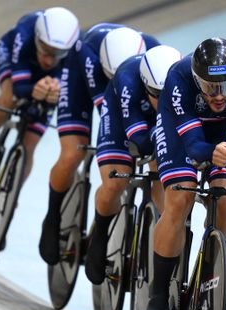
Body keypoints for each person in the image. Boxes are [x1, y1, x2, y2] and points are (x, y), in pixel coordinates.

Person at [146, 38, 226, 310]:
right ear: (197, 79)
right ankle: (158, 292)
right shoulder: (179, 78)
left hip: (223, 131)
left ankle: (209, 264)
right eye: (211, 87)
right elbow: (194, 145)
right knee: (179, 200)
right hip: (183, 133)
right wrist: (212, 153)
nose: (220, 95)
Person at [38, 23, 160, 265]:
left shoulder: (156, 55)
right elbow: (112, 115)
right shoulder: (89, 56)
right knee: (74, 153)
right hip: (84, 85)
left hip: (137, 89)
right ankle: (52, 218)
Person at [84, 45, 182, 284]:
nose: (161, 101)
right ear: (144, 83)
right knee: (115, 181)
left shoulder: (184, 80)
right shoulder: (128, 80)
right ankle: (99, 236)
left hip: (158, 127)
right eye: (155, 94)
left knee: (165, 182)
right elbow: (140, 140)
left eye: (166, 94)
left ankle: (161, 236)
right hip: (122, 118)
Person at [0, 7, 79, 183]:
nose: (49, 60)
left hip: (48, 77)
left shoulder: (75, 49)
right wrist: (34, 91)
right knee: (10, 99)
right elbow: (20, 88)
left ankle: (10, 195)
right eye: (46, 50)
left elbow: (70, 89)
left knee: (30, 144)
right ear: (37, 38)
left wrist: (56, 92)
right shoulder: (25, 31)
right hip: (12, 58)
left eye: (58, 53)